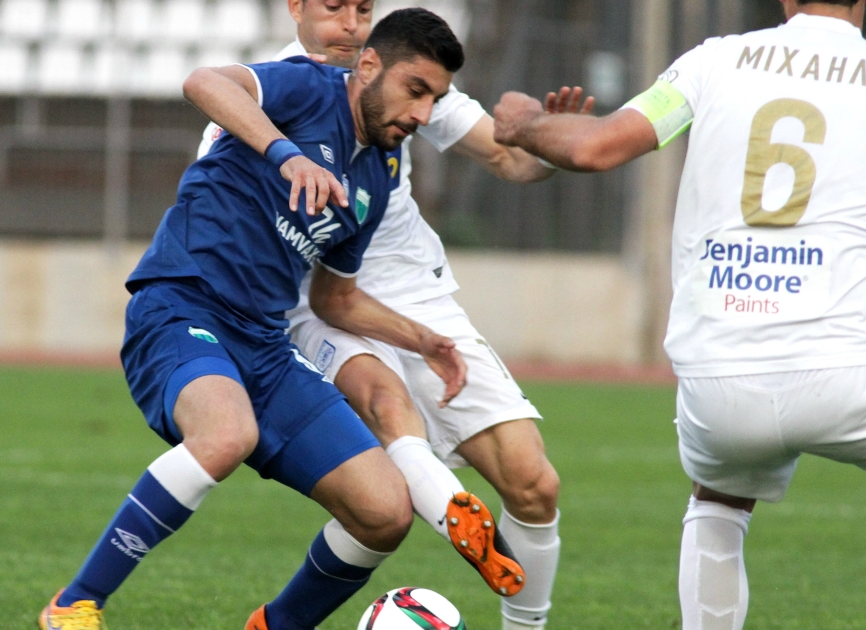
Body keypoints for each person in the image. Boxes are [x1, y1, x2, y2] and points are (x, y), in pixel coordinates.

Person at [492, 0, 866, 628]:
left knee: (718, 501)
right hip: (853, 373)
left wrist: (525, 122)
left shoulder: (716, 61)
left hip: (719, 380)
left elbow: (596, 147)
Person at [38, 9, 469, 630]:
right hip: (182, 304)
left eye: (435, 100)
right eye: (416, 90)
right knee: (225, 434)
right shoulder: (310, 87)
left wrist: (422, 339)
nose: (423, 114)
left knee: (384, 511)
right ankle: (75, 604)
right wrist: (286, 154)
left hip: (265, 344)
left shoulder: (380, 175)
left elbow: (335, 299)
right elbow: (204, 82)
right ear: (370, 66)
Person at [198, 2, 592, 626]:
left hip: (413, 298)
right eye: (334, 7)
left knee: (534, 482)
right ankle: (450, 509)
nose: (350, 24)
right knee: (384, 404)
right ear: (295, 6)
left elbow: (512, 159)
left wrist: (555, 139)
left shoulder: (407, 83)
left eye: (363, 8)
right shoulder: (266, 92)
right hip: (315, 303)